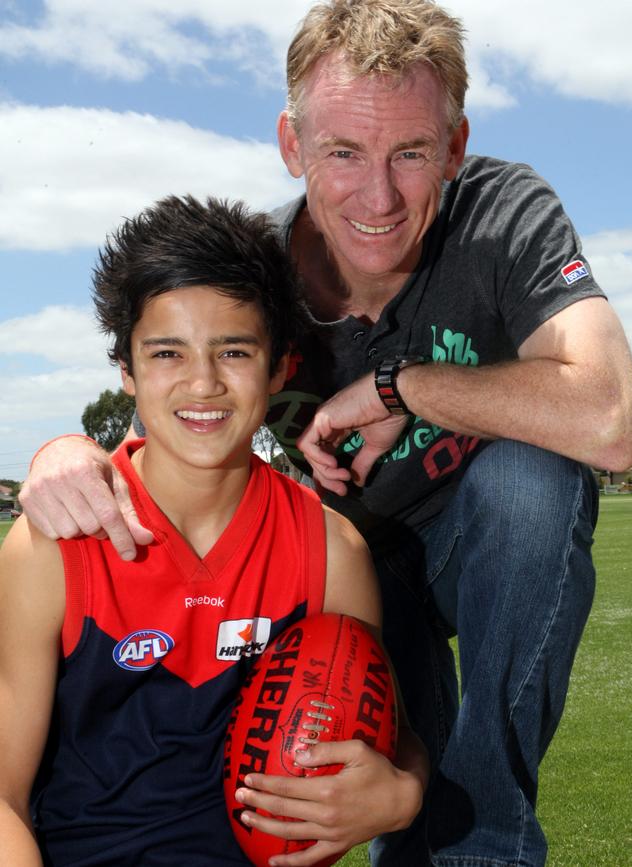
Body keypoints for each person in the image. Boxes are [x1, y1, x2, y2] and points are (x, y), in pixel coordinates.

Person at [19, 1, 632, 865]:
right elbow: (172, 408)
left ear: (455, 147)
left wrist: (407, 385)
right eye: (343, 152)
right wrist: (63, 452)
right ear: (291, 144)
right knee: (392, 793)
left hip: (479, 538)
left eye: (412, 153)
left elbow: (613, 422)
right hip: (343, 568)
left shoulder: (503, 213)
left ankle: (487, 845)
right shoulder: (255, 277)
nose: (378, 195)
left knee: (536, 481)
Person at [0, 195, 428, 867]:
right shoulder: (53, 543)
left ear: (281, 365)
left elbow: (385, 735)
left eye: (233, 350)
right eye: (167, 352)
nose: (203, 383)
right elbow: (3, 794)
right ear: (127, 370)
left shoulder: (330, 552)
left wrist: (402, 793)